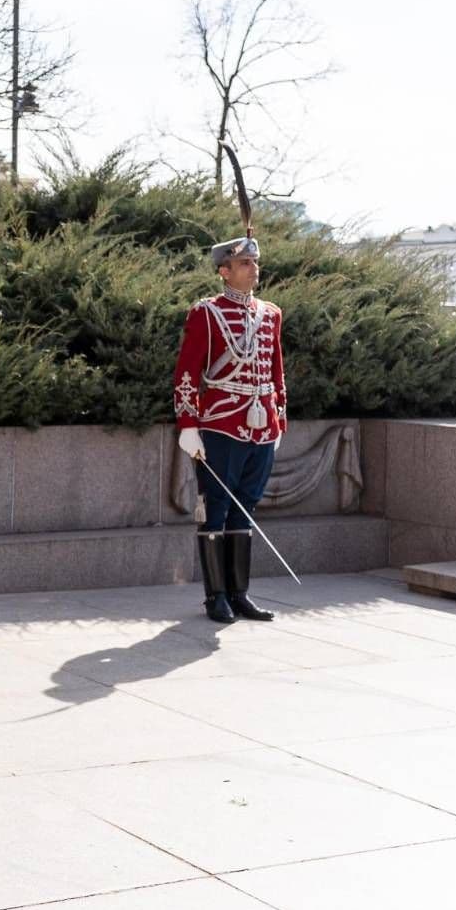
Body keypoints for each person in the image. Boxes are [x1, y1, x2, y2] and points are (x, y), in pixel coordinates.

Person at [172, 235, 287, 624]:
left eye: (255, 262)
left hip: (262, 426)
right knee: (216, 509)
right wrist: (188, 425)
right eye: (244, 264)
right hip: (222, 423)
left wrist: (278, 418)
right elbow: (187, 373)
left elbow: (276, 371)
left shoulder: (270, 313)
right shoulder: (205, 313)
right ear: (224, 271)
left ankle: (240, 594)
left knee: (246, 508)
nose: (254, 269)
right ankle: (216, 597)